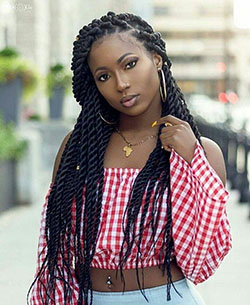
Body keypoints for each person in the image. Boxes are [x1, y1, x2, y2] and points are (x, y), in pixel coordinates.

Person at [27, 11, 232, 305]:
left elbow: (202, 262)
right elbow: (55, 249)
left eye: (130, 64)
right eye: (104, 76)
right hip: (89, 298)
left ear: (157, 58)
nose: (121, 83)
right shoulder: (78, 149)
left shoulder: (199, 151)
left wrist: (191, 162)